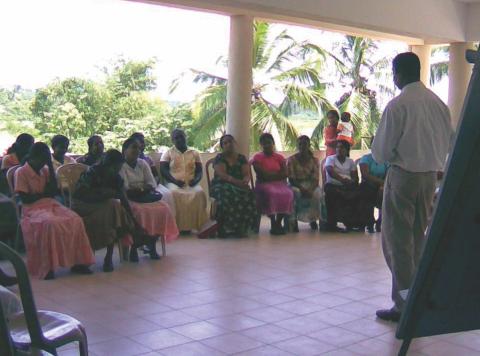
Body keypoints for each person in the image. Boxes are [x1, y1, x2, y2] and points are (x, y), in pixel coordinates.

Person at [372, 52, 453, 322]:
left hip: (403, 177)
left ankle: (403, 305)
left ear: (399, 73)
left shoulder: (398, 105)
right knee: (418, 239)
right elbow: (449, 143)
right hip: (430, 178)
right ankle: (416, 298)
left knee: (397, 243)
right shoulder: (438, 105)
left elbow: (381, 153)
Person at [14, 142, 95, 280]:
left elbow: (53, 192)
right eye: (41, 159)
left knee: (75, 220)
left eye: (46, 160)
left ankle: (79, 262)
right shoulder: (21, 172)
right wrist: (44, 194)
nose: (43, 163)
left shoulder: (45, 170)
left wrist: (50, 168)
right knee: (50, 223)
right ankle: (47, 266)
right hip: (31, 210)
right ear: (33, 157)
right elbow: (26, 198)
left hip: (50, 204)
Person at [73, 149, 152, 271]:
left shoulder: (115, 177)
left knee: (113, 210)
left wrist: (133, 219)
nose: (116, 171)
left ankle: (109, 255)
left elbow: (124, 200)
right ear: (107, 164)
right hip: (83, 206)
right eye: (115, 168)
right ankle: (133, 235)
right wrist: (103, 194)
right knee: (113, 207)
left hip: (105, 209)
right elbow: (80, 195)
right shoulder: (92, 172)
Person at [120, 138, 178, 256]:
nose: (137, 150)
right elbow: (126, 188)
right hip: (130, 199)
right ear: (125, 150)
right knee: (139, 212)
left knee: (163, 209)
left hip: (145, 196)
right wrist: (142, 188)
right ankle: (135, 247)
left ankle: (151, 244)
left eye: (138, 148)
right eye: (133, 147)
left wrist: (141, 189)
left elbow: (151, 183)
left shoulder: (143, 163)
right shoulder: (121, 166)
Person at [160, 129, 208, 232]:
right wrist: (174, 181)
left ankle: (198, 226)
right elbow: (163, 170)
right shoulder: (167, 153)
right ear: (172, 140)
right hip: (173, 183)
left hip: (191, 183)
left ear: (185, 137)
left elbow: (199, 171)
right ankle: (176, 227)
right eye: (176, 138)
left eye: (181, 136)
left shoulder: (195, 153)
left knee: (199, 193)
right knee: (173, 193)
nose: (179, 139)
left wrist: (196, 180)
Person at [211, 134, 258, 237]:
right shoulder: (219, 158)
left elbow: (246, 174)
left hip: (239, 185)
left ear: (234, 143)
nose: (228, 144)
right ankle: (226, 228)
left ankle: (242, 227)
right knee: (227, 196)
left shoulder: (241, 158)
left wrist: (246, 180)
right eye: (225, 143)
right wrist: (238, 182)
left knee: (249, 195)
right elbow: (223, 175)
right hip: (221, 185)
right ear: (222, 146)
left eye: (230, 142)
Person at [251, 133, 294, 235]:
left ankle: (278, 222)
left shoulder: (279, 157)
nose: (267, 145)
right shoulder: (257, 157)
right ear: (261, 145)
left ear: (273, 143)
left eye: (269, 143)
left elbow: (285, 173)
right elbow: (262, 175)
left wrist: (271, 175)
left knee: (288, 193)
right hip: (263, 185)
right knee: (272, 193)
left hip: (279, 184)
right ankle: (273, 222)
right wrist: (277, 174)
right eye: (264, 143)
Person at [129, 132, 176, 216]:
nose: (142, 144)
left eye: (143, 142)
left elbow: (156, 175)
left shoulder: (148, 159)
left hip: (151, 184)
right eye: (140, 142)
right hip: (136, 187)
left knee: (167, 194)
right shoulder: (128, 161)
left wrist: (153, 184)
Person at [323, 140, 362, 232]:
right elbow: (330, 171)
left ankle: (352, 223)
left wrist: (351, 182)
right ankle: (332, 224)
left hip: (347, 186)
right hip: (333, 185)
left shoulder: (350, 161)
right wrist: (342, 180)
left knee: (358, 194)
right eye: (338, 147)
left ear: (347, 150)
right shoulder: (331, 159)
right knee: (332, 194)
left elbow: (354, 176)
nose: (339, 149)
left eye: (342, 147)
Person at [288, 135, 322, 231]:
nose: (302, 146)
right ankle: (293, 221)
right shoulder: (291, 160)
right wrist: (302, 189)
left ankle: (313, 219)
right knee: (295, 193)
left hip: (311, 184)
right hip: (296, 184)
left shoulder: (315, 160)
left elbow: (316, 179)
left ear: (309, 145)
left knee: (317, 194)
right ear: (297, 146)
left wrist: (310, 189)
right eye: (300, 144)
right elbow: (291, 179)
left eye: (305, 144)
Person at [358, 144, 389, 233]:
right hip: (368, 184)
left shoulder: (386, 161)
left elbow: (388, 174)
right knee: (367, 191)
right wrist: (381, 183)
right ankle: (369, 222)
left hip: (382, 185)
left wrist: (383, 185)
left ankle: (380, 221)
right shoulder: (366, 158)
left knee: (385, 193)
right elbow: (365, 175)